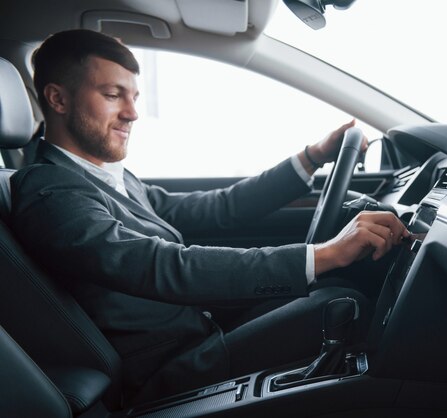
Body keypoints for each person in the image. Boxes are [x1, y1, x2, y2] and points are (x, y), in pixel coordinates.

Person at [10, 29, 411, 404]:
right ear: (58, 100)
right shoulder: (50, 192)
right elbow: (160, 265)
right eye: (114, 94)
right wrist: (323, 255)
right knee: (343, 303)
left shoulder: (108, 177)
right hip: (164, 372)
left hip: (198, 333)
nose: (133, 113)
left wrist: (313, 157)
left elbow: (219, 207)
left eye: (134, 96)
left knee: (336, 291)